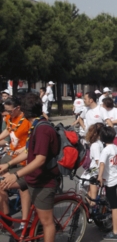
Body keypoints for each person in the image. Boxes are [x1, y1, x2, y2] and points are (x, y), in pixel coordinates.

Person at [1, 93, 59, 242]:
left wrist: (16, 174)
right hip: (32, 175)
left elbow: (39, 160)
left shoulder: (42, 129)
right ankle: (22, 226)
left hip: (44, 180)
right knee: (2, 184)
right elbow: (28, 152)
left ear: (24, 111)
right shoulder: (35, 126)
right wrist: (8, 165)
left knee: (47, 222)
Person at [0, 97, 31, 227]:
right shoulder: (10, 118)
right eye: (5, 111)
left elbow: (32, 144)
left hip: (24, 160)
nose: (7, 114)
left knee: (22, 188)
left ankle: (24, 222)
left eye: (9, 111)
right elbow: (8, 129)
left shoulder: (27, 121)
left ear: (18, 108)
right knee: (2, 187)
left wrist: (23, 150)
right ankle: (7, 219)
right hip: (10, 155)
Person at [97, 126, 117, 240]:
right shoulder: (116, 148)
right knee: (111, 201)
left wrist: (99, 176)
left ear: (102, 138)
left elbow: (102, 164)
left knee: (115, 206)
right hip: (116, 177)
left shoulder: (105, 150)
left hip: (110, 181)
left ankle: (116, 232)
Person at [84, 123, 104, 205]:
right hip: (94, 171)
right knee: (93, 197)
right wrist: (101, 172)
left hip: (95, 170)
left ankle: (88, 209)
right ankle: (90, 210)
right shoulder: (96, 145)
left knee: (90, 193)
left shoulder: (98, 143)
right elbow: (97, 161)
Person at [102, 97, 117, 165]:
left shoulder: (115, 110)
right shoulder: (103, 111)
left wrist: (108, 122)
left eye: (103, 104)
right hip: (107, 134)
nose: (102, 105)